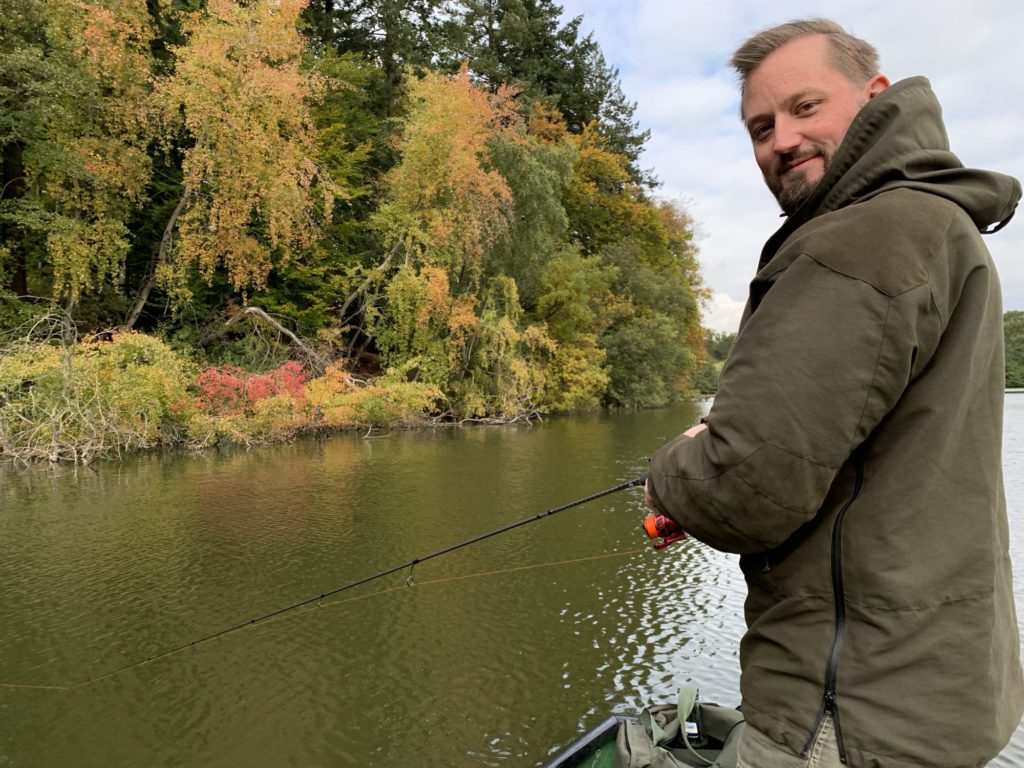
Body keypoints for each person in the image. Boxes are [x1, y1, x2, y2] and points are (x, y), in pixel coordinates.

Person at [643, 18, 1024, 768]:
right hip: (936, 699)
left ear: (875, 96)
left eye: (805, 107)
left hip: (842, 713)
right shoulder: (942, 225)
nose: (781, 139)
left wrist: (670, 473)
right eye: (761, 125)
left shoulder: (862, 239)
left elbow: (745, 485)